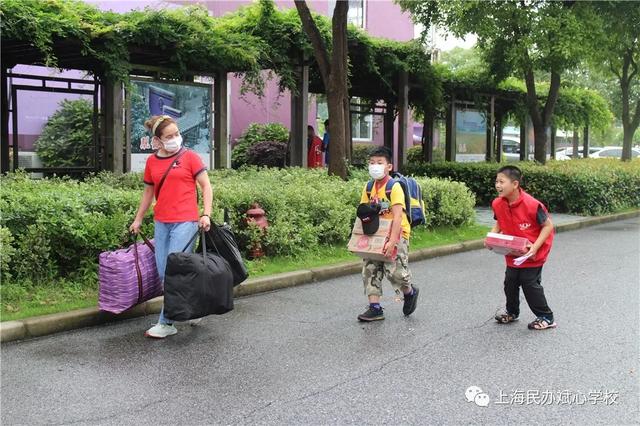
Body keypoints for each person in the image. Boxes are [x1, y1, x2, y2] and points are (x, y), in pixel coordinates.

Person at [130, 115, 213, 339]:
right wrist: (138, 219)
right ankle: (195, 306)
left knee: (172, 272)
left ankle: (166, 323)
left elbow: (206, 186)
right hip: (161, 222)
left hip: (185, 221)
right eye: (169, 136)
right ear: (157, 140)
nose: (175, 138)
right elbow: (148, 193)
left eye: (177, 134)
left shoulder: (190, 157)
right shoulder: (152, 162)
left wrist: (206, 214)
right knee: (162, 272)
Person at [489, 165, 556, 330]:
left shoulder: (532, 205)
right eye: (496, 181)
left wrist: (535, 247)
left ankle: (546, 317)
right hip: (513, 251)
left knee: (529, 283)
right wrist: (491, 237)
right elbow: (499, 221)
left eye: (501, 182)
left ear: (515, 184)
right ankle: (512, 312)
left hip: (533, 253)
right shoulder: (498, 203)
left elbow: (548, 226)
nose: (498, 185)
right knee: (510, 282)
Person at [357, 146, 419, 322]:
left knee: (395, 273)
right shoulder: (368, 187)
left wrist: (392, 241)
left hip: (397, 234)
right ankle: (375, 308)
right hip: (376, 234)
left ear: (389, 166)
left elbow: (398, 216)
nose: (374, 166)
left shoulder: (394, 187)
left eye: (379, 162)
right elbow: (363, 212)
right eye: (371, 163)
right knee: (370, 269)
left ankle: (410, 292)